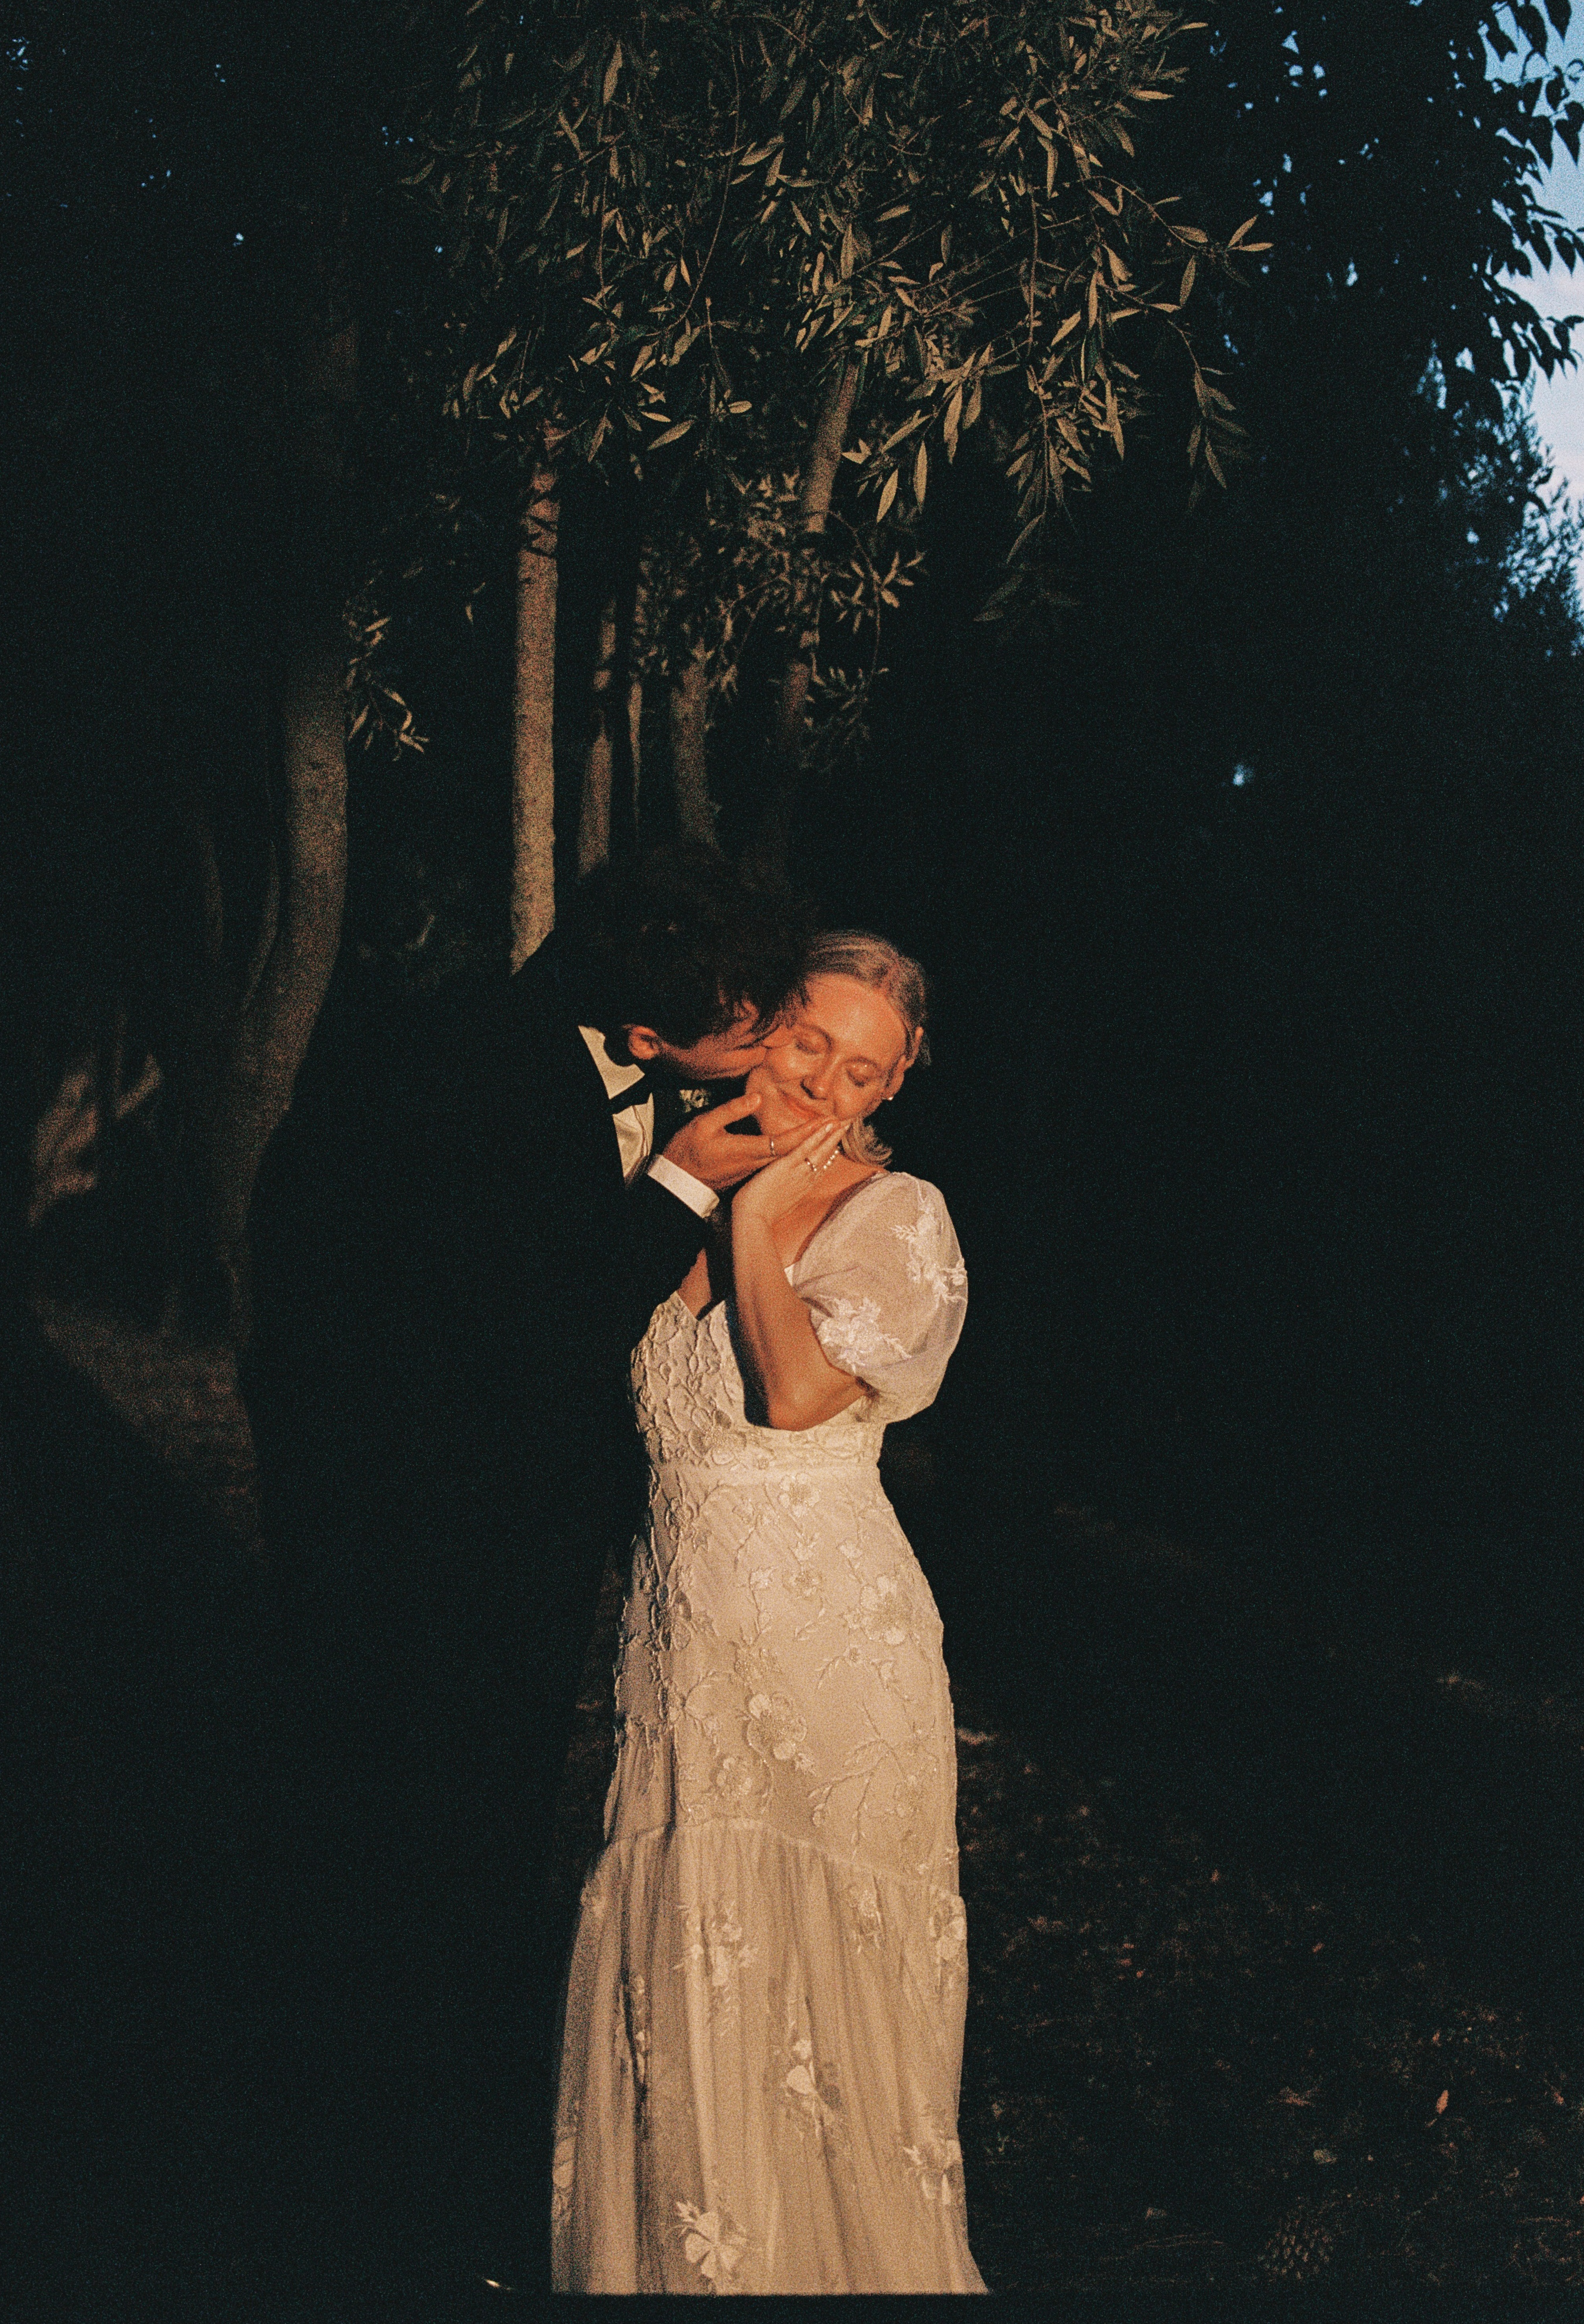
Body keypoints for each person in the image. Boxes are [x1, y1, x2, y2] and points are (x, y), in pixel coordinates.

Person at [239, 843, 817, 2298]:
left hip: (483, 1551)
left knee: (465, 1868)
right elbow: (522, 1335)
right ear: (645, 1035)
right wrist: (681, 1182)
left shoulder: (523, 1044)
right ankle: (378, 2215)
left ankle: (412, 2173)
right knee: (411, 1879)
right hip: (422, 1558)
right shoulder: (471, 1077)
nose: (754, 1062)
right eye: (743, 1036)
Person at [550, 931, 985, 2295]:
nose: (824, 1083)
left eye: (862, 1068)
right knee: (686, 1986)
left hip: (827, 1650)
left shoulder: (896, 1215)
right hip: (683, 1645)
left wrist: (750, 1220)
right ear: (758, 1026)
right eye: (807, 1041)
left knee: (818, 1999)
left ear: (894, 1083)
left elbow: (796, 1395)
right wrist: (705, 1192)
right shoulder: (655, 1185)